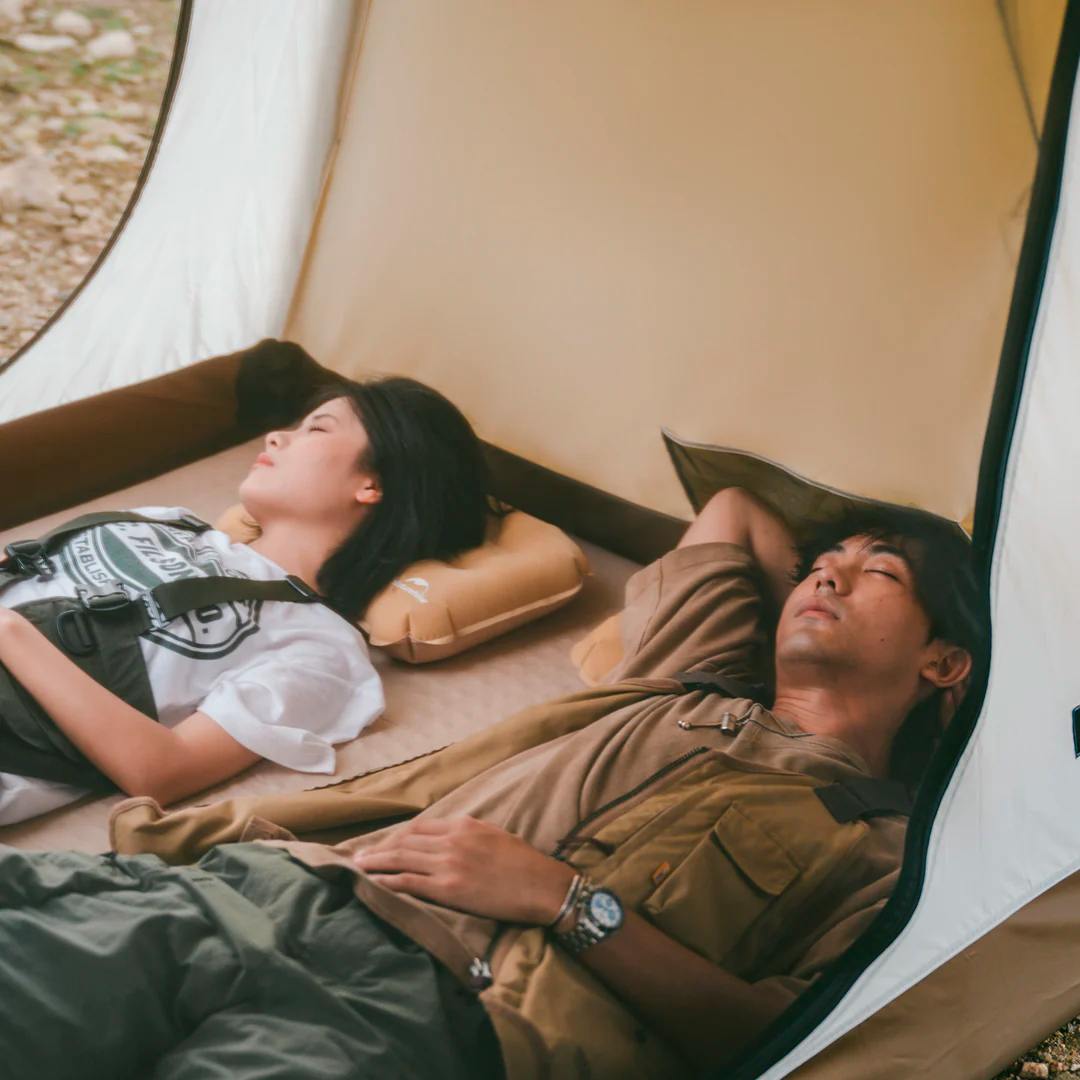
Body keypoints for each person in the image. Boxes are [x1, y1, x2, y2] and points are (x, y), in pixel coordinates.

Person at [0, 489, 984, 1079]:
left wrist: (571, 905)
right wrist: (815, 600)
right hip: (272, 888)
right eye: (822, 564)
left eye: (879, 573)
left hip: (426, 1015)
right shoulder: (689, 678)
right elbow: (734, 515)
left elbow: (788, 1031)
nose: (827, 577)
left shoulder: (890, 854)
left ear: (946, 663)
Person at [0, 377, 490, 825]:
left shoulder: (318, 648)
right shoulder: (166, 521)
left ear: (373, 484)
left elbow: (161, 771)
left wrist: (12, 634)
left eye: (316, 429)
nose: (276, 436)